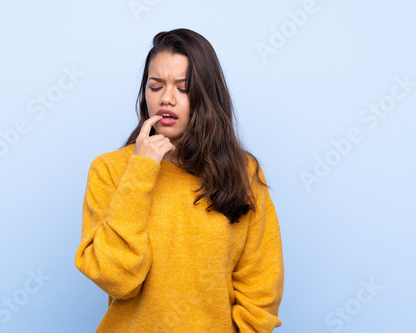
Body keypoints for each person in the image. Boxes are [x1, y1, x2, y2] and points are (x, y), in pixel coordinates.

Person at [75, 28, 284, 332]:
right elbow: (116, 279)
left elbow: (261, 288)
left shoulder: (242, 172)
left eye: (183, 88)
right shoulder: (110, 169)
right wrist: (140, 172)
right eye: (155, 86)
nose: (166, 99)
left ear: (206, 94)